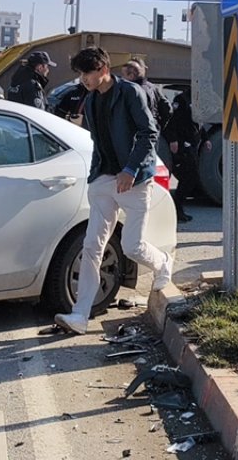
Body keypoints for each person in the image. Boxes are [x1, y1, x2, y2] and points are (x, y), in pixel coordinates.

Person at [54, 47, 173, 335]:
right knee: (92, 246)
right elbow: (97, 139)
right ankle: (80, 315)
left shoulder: (131, 93)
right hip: (105, 180)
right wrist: (96, 176)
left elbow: (149, 133)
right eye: (81, 74)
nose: (83, 79)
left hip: (134, 180)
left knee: (132, 246)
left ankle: (163, 263)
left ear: (103, 69)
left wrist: (130, 170)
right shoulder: (91, 99)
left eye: (87, 73)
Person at [163, 89, 208, 224]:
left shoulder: (198, 101)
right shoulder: (182, 100)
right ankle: (176, 207)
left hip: (192, 144)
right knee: (189, 177)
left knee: (190, 178)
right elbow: (171, 121)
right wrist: (173, 139)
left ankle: (178, 208)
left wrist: (205, 139)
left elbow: (198, 123)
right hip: (182, 144)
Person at [122, 59, 171, 132]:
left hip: (137, 134)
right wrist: (158, 126)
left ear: (131, 76)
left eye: (123, 75)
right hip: (152, 131)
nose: (122, 78)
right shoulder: (153, 88)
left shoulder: (131, 91)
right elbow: (167, 108)